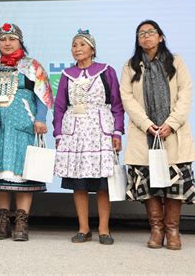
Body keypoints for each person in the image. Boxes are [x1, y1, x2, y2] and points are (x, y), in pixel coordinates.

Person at [120, 20, 195, 250]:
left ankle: (173, 230)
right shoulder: (130, 66)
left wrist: (171, 124)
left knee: (175, 185)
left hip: (173, 133)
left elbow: (186, 94)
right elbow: (127, 98)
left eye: (150, 32)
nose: (145, 37)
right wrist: (147, 124)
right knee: (148, 183)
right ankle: (157, 229)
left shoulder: (176, 62)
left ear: (160, 37)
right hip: (145, 133)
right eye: (141, 34)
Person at [0, 22, 54, 242]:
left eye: (12, 39)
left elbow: (43, 95)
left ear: (20, 41)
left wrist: (40, 119)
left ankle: (21, 221)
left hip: (23, 127)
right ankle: (2, 221)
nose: (7, 43)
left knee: (23, 174)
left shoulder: (33, 67)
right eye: (3, 39)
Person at [53, 29, 124, 245]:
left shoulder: (106, 71)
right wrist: (58, 134)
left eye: (82, 45)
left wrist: (117, 131)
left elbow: (117, 104)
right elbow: (59, 106)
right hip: (74, 133)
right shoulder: (66, 75)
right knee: (79, 183)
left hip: (99, 131)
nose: (77, 49)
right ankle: (83, 228)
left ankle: (104, 228)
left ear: (92, 49)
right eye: (74, 45)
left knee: (102, 184)